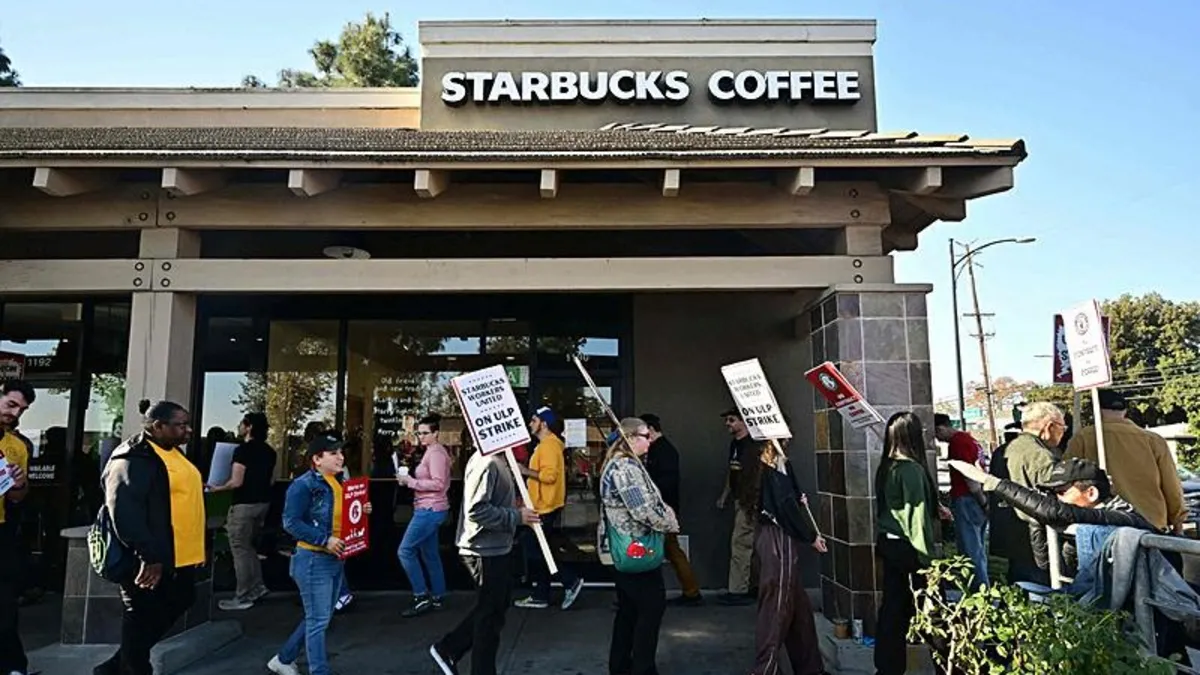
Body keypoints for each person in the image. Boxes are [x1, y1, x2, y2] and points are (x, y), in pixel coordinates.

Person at [95, 401, 205, 675]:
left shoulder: (172, 453)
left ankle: (114, 667)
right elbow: (125, 511)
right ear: (158, 426)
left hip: (179, 556)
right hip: (146, 558)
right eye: (181, 425)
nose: (188, 430)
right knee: (140, 616)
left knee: (181, 599)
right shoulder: (132, 458)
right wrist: (149, 556)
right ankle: (132, 668)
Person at [429, 444, 540, 675]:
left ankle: (449, 648)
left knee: (493, 610)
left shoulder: (496, 461)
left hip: (496, 548)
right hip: (483, 550)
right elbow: (477, 511)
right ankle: (464, 658)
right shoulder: (487, 462)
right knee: (489, 617)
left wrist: (513, 509)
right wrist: (516, 516)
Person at [267, 433, 371, 675]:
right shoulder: (303, 485)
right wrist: (325, 539)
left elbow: (340, 518)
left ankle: (284, 659)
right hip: (314, 558)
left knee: (319, 616)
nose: (340, 457)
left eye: (341, 452)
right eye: (333, 453)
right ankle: (319, 671)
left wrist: (361, 509)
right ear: (317, 458)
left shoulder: (338, 482)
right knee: (318, 619)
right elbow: (290, 523)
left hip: (333, 557)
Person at [601, 417, 680, 675]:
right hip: (635, 548)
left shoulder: (622, 465)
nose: (650, 440)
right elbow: (642, 509)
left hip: (625, 549)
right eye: (646, 436)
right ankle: (642, 668)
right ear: (632, 438)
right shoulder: (626, 468)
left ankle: (621, 665)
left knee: (629, 611)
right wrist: (669, 522)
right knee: (651, 608)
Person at [752, 438, 828, 675]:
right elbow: (784, 506)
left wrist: (796, 497)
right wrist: (810, 535)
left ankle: (810, 668)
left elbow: (786, 500)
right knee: (777, 606)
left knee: (798, 608)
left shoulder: (770, 464)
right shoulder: (773, 465)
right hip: (778, 537)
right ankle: (765, 669)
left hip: (771, 534)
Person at [1065, 390, 1187, 534]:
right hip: (1151, 522)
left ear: (1094, 410)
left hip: (1103, 524)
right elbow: (1171, 485)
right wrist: (1177, 520)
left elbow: (1067, 482)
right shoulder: (1154, 440)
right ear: (1125, 411)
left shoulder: (1082, 439)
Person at [874, 412, 939, 675]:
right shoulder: (911, 469)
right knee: (934, 612)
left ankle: (887, 668)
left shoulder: (886, 466)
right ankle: (949, 666)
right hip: (910, 548)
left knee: (892, 610)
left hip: (889, 544)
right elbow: (917, 520)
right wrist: (929, 562)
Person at [514, 406, 586, 611]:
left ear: (543, 424)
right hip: (541, 505)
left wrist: (525, 471)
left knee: (535, 548)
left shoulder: (549, 446)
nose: (530, 423)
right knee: (537, 548)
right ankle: (541, 594)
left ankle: (569, 581)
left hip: (544, 507)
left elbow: (549, 476)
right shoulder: (547, 445)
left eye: (534, 420)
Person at [210, 412, 277, 611]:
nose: (239, 427)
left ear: (248, 427)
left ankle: (243, 595)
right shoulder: (269, 451)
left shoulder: (242, 451)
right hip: (263, 504)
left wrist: (217, 488)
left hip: (243, 504)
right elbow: (271, 480)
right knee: (249, 548)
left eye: (241, 424)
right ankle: (257, 587)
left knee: (239, 548)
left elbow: (236, 481)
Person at [640, 413, 703, 607]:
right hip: (664, 509)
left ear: (650, 429)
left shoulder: (663, 451)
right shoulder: (662, 450)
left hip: (663, 510)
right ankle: (691, 591)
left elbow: (666, 482)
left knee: (667, 551)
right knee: (670, 551)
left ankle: (691, 592)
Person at [396, 413, 453, 618]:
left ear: (436, 433)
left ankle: (421, 596)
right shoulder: (432, 451)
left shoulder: (436, 453)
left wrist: (410, 482)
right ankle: (438, 595)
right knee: (430, 554)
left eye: (425, 433)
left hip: (429, 509)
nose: (421, 437)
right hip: (431, 508)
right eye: (419, 433)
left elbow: (438, 484)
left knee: (405, 551)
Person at [1002, 401, 1064, 585]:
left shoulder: (1006, 449)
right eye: (1062, 427)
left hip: (1010, 529)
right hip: (1036, 532)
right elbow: (1055, 495)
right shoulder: (1041, 455)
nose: (1063, 432)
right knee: (1041, 588)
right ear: (1049, 426)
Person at [933, 413, 989, 590]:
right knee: (977, 548)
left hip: (967, 498)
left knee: (970, 549)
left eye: (936, 434)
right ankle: (980, 585)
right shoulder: (970, 440)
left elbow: (969, 473)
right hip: (975, 498)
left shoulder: (958, 443)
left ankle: (978, 589)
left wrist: (981, 499)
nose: (937, 439)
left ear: (941, 428)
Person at [0, 380, 34, 675]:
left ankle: (13, 666)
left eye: (21, 409)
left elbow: (17, 497)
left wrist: (20, 482)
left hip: (2, 530)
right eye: (11, 404)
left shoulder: (16, 446)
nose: (15, 413)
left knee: (5, 605)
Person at [716, 408, 758, 606]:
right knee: (746, 543)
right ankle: (748, 586)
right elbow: (731, 472)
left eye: (732, 420)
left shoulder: (753, 446)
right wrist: (725, 495)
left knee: (740, 544)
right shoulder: (735, 444)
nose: (728, 424)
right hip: (739, 498)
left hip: (749, 501)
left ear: (743, 421)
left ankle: (739, 590)